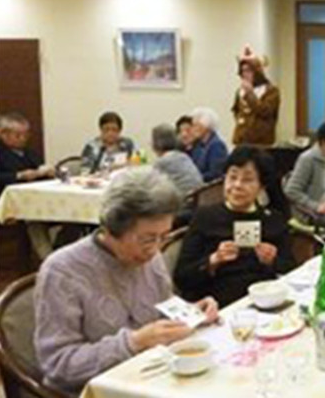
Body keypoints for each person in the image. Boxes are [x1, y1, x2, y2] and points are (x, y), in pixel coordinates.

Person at [34, 168, 219, 396]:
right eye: (147, 239)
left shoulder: (150, 257)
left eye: (163, 237)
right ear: (112, 229)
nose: (156, 249)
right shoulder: (63, 271)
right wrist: (133, 342)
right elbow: (56, 365)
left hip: (150, 380)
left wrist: (191, 313)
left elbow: (161, 310)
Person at [174, 146, 295, 307]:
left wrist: (272, 260)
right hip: (218, 304)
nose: (237, 185)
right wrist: (213, 260)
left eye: (247, 180)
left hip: (263, 301)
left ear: (261, 187)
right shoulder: (205, 217)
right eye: (232, 177)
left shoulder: (273, 220)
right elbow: (182, 277)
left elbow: (291, 269)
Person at [231, 47, 280, 146]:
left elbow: (265, 112)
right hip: (241, 141)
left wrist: (250, 95)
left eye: (248, 71)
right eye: (243, 71)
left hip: (261, 143)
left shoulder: (271, 91)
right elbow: (236, 111)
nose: (245, 75)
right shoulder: (240, 91)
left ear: (257, 72)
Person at [0, 112, 54, 196]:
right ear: (4, 135)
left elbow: (38, 169)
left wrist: (47, 172)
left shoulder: (29, 152)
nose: (23, 139)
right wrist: (18, 176)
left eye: (26, 135)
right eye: (18, 135)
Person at [151, 124, 203, 198]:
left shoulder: (163, 161)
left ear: (157, 143)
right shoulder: (183, 156)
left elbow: (149, 184)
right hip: (199, 198)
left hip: (185, 200)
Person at [189, 107, 229, 182]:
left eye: (196, 125)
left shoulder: (217, 145)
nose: (193, 129)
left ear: (206, 126)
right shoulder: (198, 145)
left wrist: (194, 179)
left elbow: (215, 173)